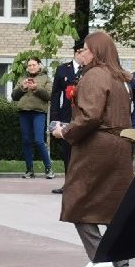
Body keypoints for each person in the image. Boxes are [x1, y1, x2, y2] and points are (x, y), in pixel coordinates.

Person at [54, 32, 132, 267]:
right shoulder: (121, 77)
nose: (81, 54)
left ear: (96, 52)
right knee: (115, 207)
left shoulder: (95, 75)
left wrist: (64, 131)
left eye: (85, 49)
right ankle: (120, 266)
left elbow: (91, 116)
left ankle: (101, 259)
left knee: (77, 200)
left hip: (97, 147)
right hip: (121, 146)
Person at [12, 58, 54, 179]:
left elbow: (49, 96)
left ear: (39, 65)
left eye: (34, 65)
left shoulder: (46, 78)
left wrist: (36, 88)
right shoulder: (21, 78)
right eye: (29, 65)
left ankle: (48, 168)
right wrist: (22, 88)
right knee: (26, 141)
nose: (31, 67)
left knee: (39, 141)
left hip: (38, 112)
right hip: (24, 112)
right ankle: (29, 170)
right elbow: (14, 96)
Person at [49, 46, 81, 194]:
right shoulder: (63, 69)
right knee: (67, 151)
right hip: (66, 115)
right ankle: (68, 183)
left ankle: (81, 184)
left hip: (82, 116)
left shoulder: (89, 70)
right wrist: (55, 119)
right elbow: (55, 95)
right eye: (81, 52)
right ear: (76, 53)